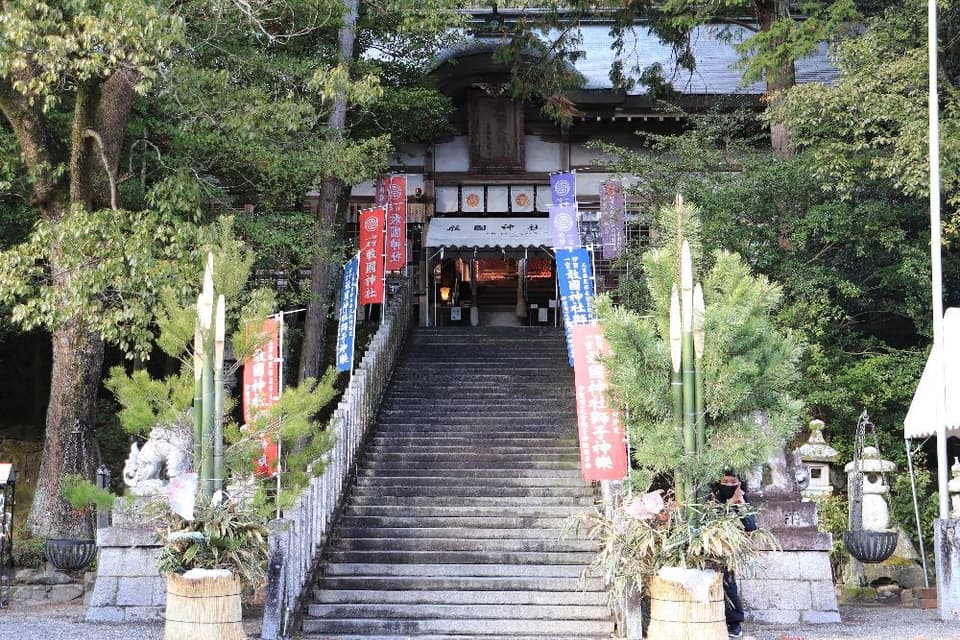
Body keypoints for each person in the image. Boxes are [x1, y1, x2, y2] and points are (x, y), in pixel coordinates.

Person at [715, 470, 757, 639]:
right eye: (725, 481)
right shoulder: (713, 497)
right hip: (710, 547)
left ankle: (734, 623)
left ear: (740, 483)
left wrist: (741, 503)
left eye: (733, 482)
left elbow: (751, 526)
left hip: (730, 550)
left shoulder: (743, 499)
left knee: (729, 585)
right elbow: (712, 519)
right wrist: (729, 502)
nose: (729, 485)